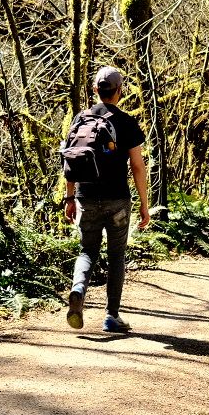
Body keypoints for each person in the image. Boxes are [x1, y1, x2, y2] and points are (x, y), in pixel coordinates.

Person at [64, 65, 151, 332]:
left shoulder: (80, 119)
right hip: (117, 199)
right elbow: (137, 166)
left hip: (85, 196)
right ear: (120, 91)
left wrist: (69, 198)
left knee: (87, 250)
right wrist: (145, 206)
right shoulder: (126, 122)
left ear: (95, 90)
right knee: (116, 255)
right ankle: (112, 315)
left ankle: (78, 288)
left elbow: (70, 161)